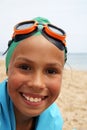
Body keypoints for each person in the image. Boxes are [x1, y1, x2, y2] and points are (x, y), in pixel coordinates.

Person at [0, 17, 67, 130]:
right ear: (8, 69)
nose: (37, 84)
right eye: (25, 67)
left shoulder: (54, 121)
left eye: (51, 71)